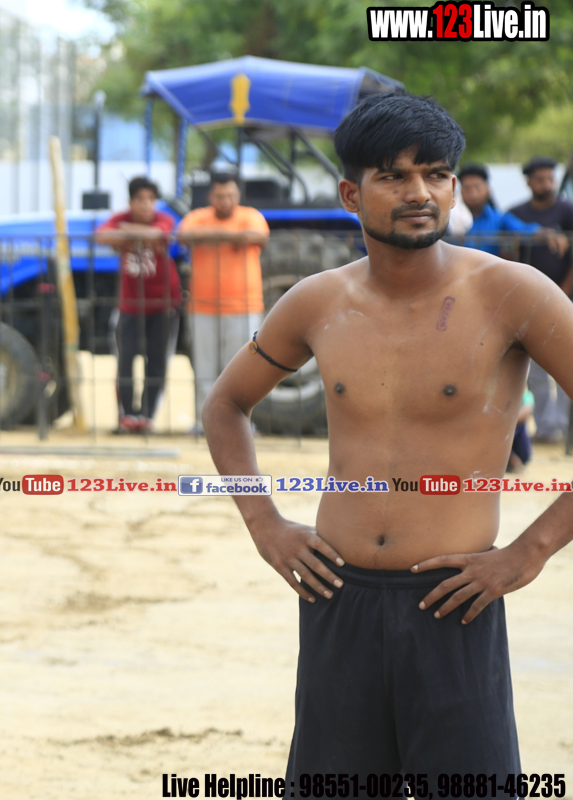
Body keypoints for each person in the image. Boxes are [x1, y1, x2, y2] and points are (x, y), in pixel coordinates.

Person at [204, 91, 573, 776]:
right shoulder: (317, 301)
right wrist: (265, 524)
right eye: (393, 176)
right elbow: (225, 404)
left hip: (456, 602)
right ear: (351, 193)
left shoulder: (512, 292)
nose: (419, 193)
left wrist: (531, 550)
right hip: (334, 597)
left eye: (436, 174)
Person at [175, 173, 268, 433]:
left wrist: (210, 235)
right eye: (220, 196)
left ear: (238, 195)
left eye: (230, 195)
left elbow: (257, 236)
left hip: (244, 305)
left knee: (241, 372)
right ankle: (204, 422)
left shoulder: (251, 216)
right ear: (211, 196)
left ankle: (240, 423)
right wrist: (233, 236)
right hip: (203, 306)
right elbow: (184, 235)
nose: (225, 201)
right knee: (204, 369)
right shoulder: (197, 216)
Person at [94, 175, 181, 433]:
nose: (146, 204)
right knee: (125, 359)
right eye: (140, 199)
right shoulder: (119, 218)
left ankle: (147, 416)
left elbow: (160, 234)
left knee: (157, 361)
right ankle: (127, 416)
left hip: (163, 303)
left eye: (151, 199)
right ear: (131, 202)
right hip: (130, 304)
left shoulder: (164, 219)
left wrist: (126, 233)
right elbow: (102, 236)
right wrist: (136, 234)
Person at [509, 155, 573, 443]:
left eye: (550, 178)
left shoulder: (568, 211)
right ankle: (547, 428)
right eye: (540, 179)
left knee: (566, 363)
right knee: (534, 367)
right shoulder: (516, 213)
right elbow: (508, 254)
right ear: (528, 182)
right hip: (529, 303)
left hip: (565, 296)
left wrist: (562, 293)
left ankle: (564, 425)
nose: (546, 184)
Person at [456, 163, 566, 257]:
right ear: (460, 191)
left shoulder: (499, 218)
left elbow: (524, 230)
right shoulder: (452, 218)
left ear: (488, 189)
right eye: (467, 188)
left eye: (477, 187)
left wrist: (548, 234)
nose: (473, 194)